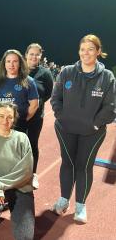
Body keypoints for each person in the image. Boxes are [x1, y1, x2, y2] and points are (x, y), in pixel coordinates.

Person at [50, 34, 116, 223]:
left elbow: (111, 107)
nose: (85, 53)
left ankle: (80, 206)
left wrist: (95, 123)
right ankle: (63, 200)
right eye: (82, 49)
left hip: (92, 133)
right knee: (67, 163)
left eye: (90, 49)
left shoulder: (107, 77)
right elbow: (56, 99)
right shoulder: (67, 72)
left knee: (84, 166)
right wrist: (62, 117)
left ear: (98, 52)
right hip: (65, 129)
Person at [0, 101, 35, 240]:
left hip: (20, 187)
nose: (5, 120)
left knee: (25, 237)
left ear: (14, 118)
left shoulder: (22, 138)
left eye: (10, 117)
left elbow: (26, 171)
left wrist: (1, 184)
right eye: (1, 116)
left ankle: (14, 207)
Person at [25, 43, 54, 189]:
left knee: (32, 144)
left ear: (40, 56)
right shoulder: (19, 70)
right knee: (16, 145)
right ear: (26, 55)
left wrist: (38, 103)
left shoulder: (45, 73)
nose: (34, 57)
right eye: (31, 54)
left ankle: (33, 174)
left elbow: (48, 92)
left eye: (37, 54)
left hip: (36, 117)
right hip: (18, 116)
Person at [0, 49, 39, 133]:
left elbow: (34, 105)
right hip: (0, 124)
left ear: (20, 64)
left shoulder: (28, 81)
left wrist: (22, 120)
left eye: (15, 61)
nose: (11, 64)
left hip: (18, 126)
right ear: (4, 64)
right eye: (8, 61)